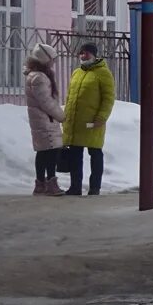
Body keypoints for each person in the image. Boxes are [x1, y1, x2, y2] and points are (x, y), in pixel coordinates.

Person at [62, 41, 116, 196]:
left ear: (94, 55)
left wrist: (101, 117)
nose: (83, 55)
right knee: (75, 155)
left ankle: (94, 187)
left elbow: (108, 98)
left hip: (93, 122)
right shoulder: (77, 73)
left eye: (87, 53)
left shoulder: (103, 73)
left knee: (95, 153)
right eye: (81, 53)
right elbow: (70, 97)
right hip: (76, 122)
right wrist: (66, 117)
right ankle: (75, 187)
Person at [24, 43, 66, 196]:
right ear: (45, 59)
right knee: (50, 152)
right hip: (46, 121)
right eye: (52, 59)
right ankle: (50, 184)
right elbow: (46, 102)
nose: (53, 62)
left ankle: (40, 184)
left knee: (43, 152)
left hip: (42, 120)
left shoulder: (35, 75)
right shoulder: (40, 78)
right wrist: (61, 116)